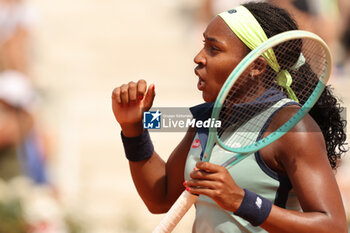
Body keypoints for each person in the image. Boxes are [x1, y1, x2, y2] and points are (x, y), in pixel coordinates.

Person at [111, 2, 347, 232]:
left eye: (214, 49)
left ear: (257, 65)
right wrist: (134, 128)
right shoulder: (204, 119)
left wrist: (242, 201)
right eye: (203, 45)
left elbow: (333, 227)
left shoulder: (294, 128)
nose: (198, 58)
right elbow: (160, 199)